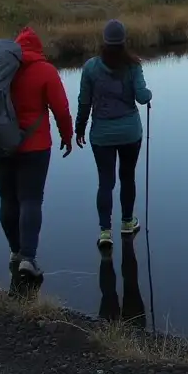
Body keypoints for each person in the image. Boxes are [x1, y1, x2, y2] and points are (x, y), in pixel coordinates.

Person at [0, 27, 74, 280]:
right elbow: (61, 109)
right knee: (30, 200)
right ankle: (28, 258)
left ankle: (14, 252)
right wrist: (67, 136)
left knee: (7, 199)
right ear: (38, 49)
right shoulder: (45, 71)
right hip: (34, 147)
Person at [75, 19, 152, 249]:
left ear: (105, 41)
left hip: (102, 135)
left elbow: (84, 102)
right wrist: (148, 94)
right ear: (124, 41)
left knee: (105, 182)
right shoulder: (134, 65)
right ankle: (127, 223)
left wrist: (80, 128)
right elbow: (141, 96)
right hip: (130, 133)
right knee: (127, 177)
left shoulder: (91, 67)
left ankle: (105, 231)